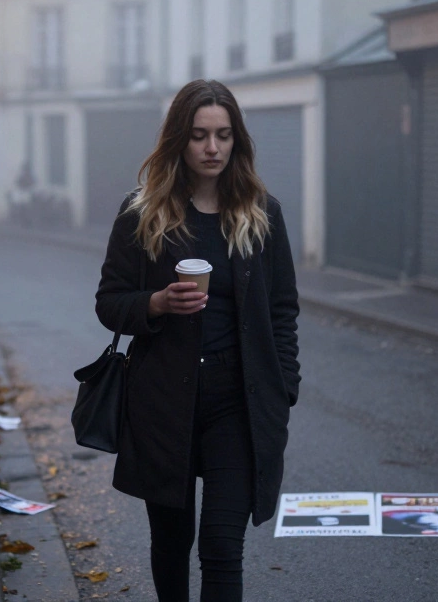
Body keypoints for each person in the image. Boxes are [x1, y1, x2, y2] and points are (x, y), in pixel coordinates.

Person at [95, 79, 300, 601]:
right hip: (164, 401)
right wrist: (156, 304)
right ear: (178, 141)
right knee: (171, 540)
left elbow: (282, 309)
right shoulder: (142, 212)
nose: (212, 148)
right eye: (200, 135)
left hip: (239, 400)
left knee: (222, 545)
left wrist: (284, 387)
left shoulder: (261, 213)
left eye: (224, 135)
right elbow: (109, 302)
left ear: (237, 141)